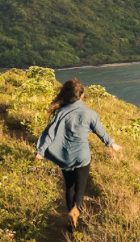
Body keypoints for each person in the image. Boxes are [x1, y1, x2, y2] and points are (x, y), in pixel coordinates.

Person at [33, 78, 116, 229]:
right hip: (82, 157)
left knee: (69, 187)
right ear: (82, 95)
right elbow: (100, 132)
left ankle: (70, 218)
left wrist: (40, 151)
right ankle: (75, 210)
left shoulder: (60, 113)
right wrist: (111, 143)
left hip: (64, 158)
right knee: (80, 187)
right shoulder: (90, 114)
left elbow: (49, 134)